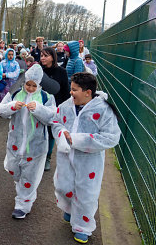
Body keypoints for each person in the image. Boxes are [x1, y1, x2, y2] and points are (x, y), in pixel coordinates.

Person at [52, 72, 120, 244]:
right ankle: (69, 207)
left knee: (86, 194)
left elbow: (111, 137)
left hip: (89, 162)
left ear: (87, 92)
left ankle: (82, 226)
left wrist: (78, 139)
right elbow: (56, 121)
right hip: (66, 156)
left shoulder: (103, 110)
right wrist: (61, 133)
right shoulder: (67, 105)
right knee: (63, 186)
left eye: (74, 90)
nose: (71, 93)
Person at [0, 64, 56, 219]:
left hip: (35, 147)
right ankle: (23, 188)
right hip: (14, 144)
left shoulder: (47, 98)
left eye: (33, 85)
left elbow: (52, 118)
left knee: (29, 177)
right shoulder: (15, 94)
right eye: (28, 84)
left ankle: (22, 205)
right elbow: (0, 110)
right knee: (13, 170)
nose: (30, 88)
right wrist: (12, 107)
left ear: (39, 85)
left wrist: (38, 109)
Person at [40, 47, 71, 171]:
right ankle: (38, 157)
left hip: (55, 108)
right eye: (41, 55)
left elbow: (65, 91)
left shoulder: (61, 72)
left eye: (45, 56)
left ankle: (47, 157)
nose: (42, 58)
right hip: (40, 107)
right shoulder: (39, 71)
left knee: (50, 133)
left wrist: (63, 109)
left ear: (52, 57)